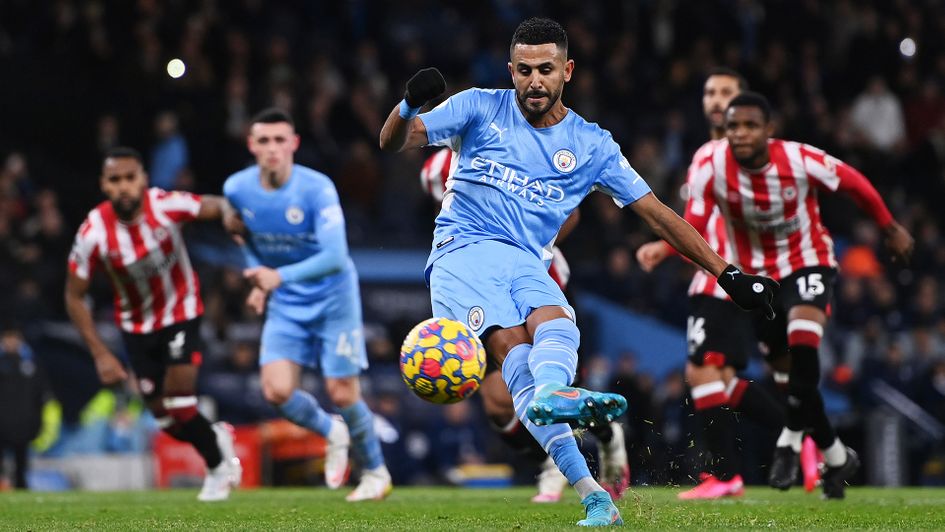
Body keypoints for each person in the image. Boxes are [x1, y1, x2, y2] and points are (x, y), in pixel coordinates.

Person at [380, 17, 778, 526]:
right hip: (463, 253)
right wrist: (409, 104)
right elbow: (394, 140)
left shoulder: (591, 145)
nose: (534, 81)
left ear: (567, 70)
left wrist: (728, 274)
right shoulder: (479, 105)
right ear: (511, 70)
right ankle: (586, 478)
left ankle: (588, 480)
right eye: (523, 70)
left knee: (559, 324)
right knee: (513, 358)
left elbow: (657, 213)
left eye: (545, 69)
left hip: (527, 256)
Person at [673, 92, 913, 499]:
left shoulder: (799, 159)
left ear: (770, 130)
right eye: (734, 127)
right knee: (790, 380)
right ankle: (837, 457)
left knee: (804, 347)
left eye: (751, 126)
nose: (741, 134)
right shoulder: (712, 164)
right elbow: (693, 222)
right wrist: (671, 247)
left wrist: (888, 226)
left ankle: (788, 442)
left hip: (808, 262)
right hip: (761, 283)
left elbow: (852, 182)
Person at [637, 69, 813, 499]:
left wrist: (661, 249)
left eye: (727, 93)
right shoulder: (730, 156)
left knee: (701, 372)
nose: (717, 101)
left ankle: (726, 476)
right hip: (733, 278)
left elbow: (696, 221)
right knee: (721, 378)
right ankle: (802, 438)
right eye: (710, 92)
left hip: (725, 279)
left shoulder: (722, 156)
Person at [421, 148, 630, 503]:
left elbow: (571, 213)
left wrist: (525, 244)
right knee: (499, 404)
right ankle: (554, 459)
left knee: (543, 382)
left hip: (534, 277)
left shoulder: (511, 152)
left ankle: (606, 436)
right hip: (475, 286)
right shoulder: (434, 170)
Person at [222, 108, 391, 501]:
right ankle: (333, 431)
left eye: (280, 140)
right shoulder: (237, 189)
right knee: (276, 391)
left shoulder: (317, 189)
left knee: (344, 392)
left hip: (333, 296)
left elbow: (335, 256)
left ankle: (375, 473)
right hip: (286, 300)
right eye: (263, 141)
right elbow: (243, 241)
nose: (272, 149)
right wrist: (258, 280)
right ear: (251, 146)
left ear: (294, 143)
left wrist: (275, 278)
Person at [64, 146, 242, 501]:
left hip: (180, 312)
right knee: (164, 419)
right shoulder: (93, 233)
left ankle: (218, 468)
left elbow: (211, 204)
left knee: (180, 402)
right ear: (104, 185)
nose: (124, 186)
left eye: (131, 178)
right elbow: (73, 295)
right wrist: (100, 354)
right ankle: (214, 434)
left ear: (143, 179)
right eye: (116, 180)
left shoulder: (164, 205)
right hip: (136, 327)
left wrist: (228, 214)